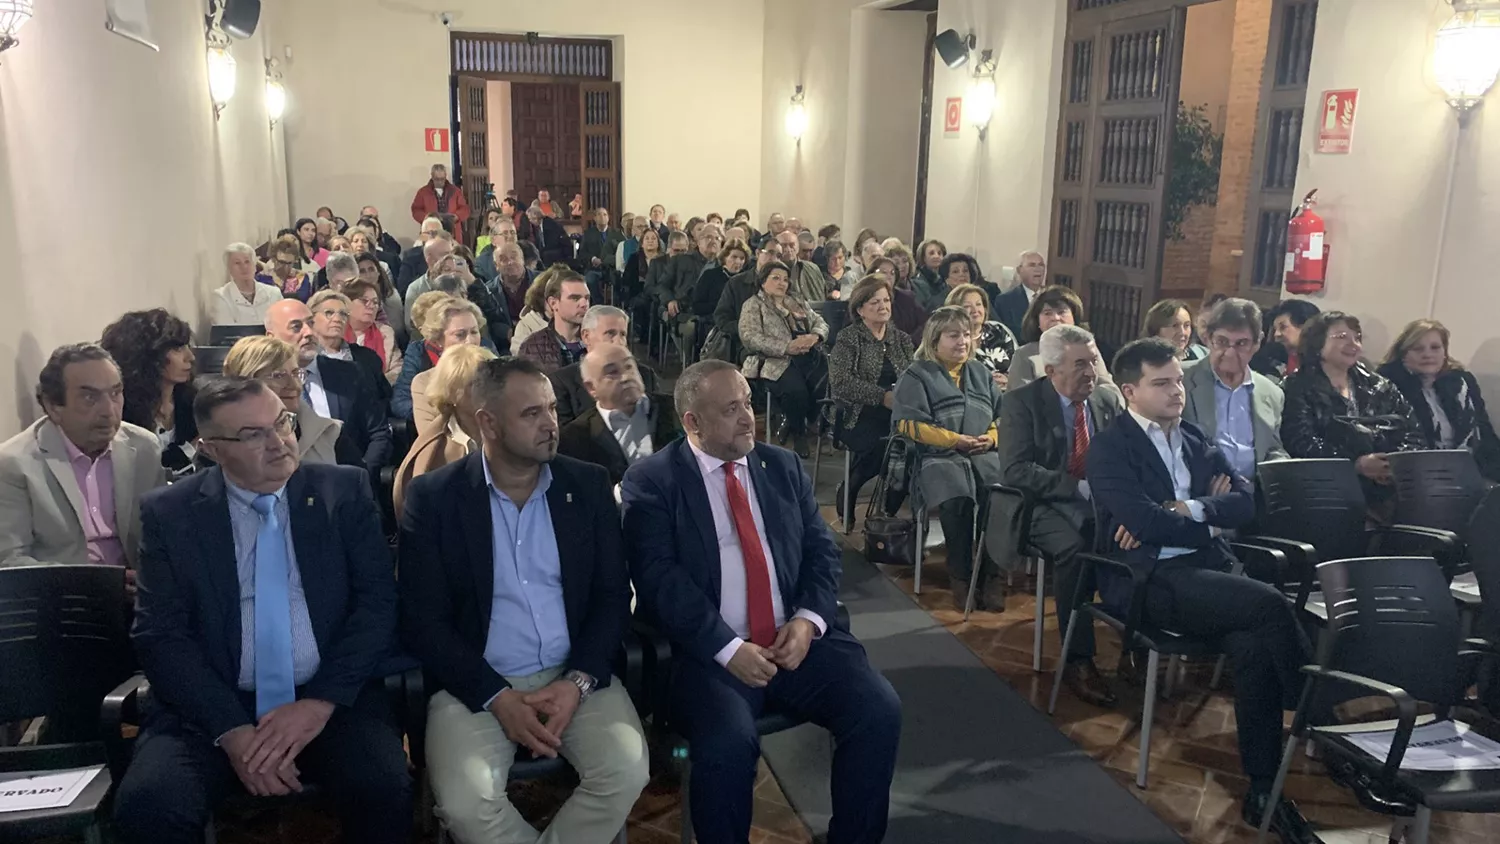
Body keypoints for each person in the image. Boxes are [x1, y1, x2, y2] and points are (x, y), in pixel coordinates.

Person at [113, 378, 410, 844]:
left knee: (383, 786)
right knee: (151, 805)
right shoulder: (172, 514)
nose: (279, 443)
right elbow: (161, 635)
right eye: (253, 435)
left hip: (328, 695)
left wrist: (319, 703)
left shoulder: (341, 491)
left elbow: (376, 604)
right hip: (213, 704)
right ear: (209, 448)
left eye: (282, 424)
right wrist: (231, 730)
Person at [620, 360, 902, 844]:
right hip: (709, 655)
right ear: (693, 422)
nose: (749, 417)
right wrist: (729, 649)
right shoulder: (654, 480)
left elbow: (821, 552)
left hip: (792, 640)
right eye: (731, 409)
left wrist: (809, 622)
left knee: (878, 708)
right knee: (728, 744)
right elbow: (658, 581)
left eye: (748, 402)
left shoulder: (781, 465)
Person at [400, 357, 648, 844]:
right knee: (466, 806)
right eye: (531, 414)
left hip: (573, 673)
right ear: (487, 422)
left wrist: (578, 681)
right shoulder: (436, 499)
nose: (550, 424)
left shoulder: (587, 485)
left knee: (626, 771)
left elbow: (611, 595)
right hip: (475, 680)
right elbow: (422, 620)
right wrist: (495, 695)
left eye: (552, 409)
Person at [1086, 338, 1319, 844]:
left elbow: (1244, 502)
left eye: (1178, 380)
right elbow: (1143, 522)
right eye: (1162, 383)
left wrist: (1185, 511)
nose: (1177, 391)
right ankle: (1317, 715)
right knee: (1268, 602)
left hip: (1203, 571)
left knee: (1254, 646)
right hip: (1149, 581)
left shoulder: (1192, 437)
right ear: (1129, 391)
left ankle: (1264, 790)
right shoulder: (1110, 447)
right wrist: (1199, 519)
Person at [996, 324, 1124, 705]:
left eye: (1094, 361)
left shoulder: (1104, 401)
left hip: (1095, 501)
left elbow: (1120, 454)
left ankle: (1134, 644)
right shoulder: (1022, 402)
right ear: (1051, 371)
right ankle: (1077, 659)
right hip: (1039, 502)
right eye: (1081, 364)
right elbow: (1016, 470)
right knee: (1076, 548)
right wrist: (1076, 487)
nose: (1092, 373)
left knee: (1133, 536)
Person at [0, 343, 164, 572]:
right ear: (53, 406)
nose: (109, 410)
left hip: (140, 594)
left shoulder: (144, 447)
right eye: (90, 398)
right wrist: (103, 584)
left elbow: (161, 535)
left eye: (115, 393)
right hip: (63, 598)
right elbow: (10, 562)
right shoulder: (14, 464)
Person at [892, 307, 1004, 610]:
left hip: (981, 451)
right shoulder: (917, 374)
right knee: (958, 499)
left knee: (999, 496)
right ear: (935, 339)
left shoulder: (980, 372)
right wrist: (956, 440)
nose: (963, 341)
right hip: (937, 455)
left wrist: (991, 437)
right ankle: (961, 577)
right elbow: (907, 424)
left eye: (967, 335)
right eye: (954, 335)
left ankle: (992, 575)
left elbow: (1001, 416)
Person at [1280, 311, 1422, 509]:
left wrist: (1393, 464)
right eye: (1342, 337)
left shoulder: (1379, 385)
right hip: (1324, 491)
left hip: (1387, 487)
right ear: (1317, 343)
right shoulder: (1296, 386)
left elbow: (1413, 430)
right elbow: (1300, 442)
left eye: (1357, 338)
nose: (1353, 344)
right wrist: (1356, 464)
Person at [265, 299, 392, 477]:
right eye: (296, 327)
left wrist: (362, 475)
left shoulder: (350, 373)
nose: (308, 332)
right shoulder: (264, 385)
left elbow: (378, 433)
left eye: (310, 323)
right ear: (271, 337)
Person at [828, 276, 914, 524]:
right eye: (874, 302)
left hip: (897, 411)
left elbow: (913, 376)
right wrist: (881, 396)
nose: (882, 306)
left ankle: (888, 513)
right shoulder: (848, 339)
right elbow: (841, 382)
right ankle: (851, 486)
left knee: (910, 446)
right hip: (856, 412)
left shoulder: (901, 339)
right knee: (884, 444)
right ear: (860, 309)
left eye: (886, 301)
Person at [1181, 298, 1289, 485]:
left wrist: (1281, 468)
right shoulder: (1181, 380)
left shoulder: (1271, 392)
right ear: (1208, 338)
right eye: (1222, 342)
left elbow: (1272, 448)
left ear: (1257, 343)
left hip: (1252, 495)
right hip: (1197, 490)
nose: (1230, 353)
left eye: (1241, 344)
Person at [1378, 319, 1500, 481]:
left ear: (1445, 352)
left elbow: (1485, 436)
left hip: (1468, 471)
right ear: (1403, 354)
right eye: (1417, 349)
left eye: (1435, 348)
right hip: (1416, 477)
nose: (1427, 354)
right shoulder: (1388, 385)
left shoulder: (1462, 383)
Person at [223, 337, 362, 468]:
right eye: (278, 376)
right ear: (246, 383)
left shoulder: (331, 433)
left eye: (296, 374)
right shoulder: (222, 438)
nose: (293, 385)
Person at [740, 261, 830, 458]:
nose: (782, 283)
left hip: (807, 355)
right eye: (776, 278)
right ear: (763, 282)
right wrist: (786, 347)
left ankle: (792, 420)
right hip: (774, 360)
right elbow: (750, 337)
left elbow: (820, 322)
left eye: (785, 279)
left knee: (828, 381)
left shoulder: (795, 301)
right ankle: (799, 434)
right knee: (796, 390)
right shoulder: (753, 305)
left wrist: (814, 336)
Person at [393, 344, 495, 515]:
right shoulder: (435, 453)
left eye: (492, 382)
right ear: (453, 393)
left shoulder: (513, 429)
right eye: (477, 384)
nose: (489, 390)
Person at [560, 344, 679, 486]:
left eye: (629, 367)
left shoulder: (677, 409)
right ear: (591, 388)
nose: (626, 377)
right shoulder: (575, 437)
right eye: (612, 372)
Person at [99, 309, 199, 476]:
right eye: (178, 348)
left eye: (187, 346)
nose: (190, 357)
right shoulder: (122, 409)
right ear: (148, 354)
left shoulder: (193, 402)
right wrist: (187, 450)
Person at [549, 306, 658, 428]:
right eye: (610, 333)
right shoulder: (562, 382)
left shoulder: (646, 375)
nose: (618, 341)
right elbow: (565, 439)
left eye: (622, 334)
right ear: (586, 336)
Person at [393, 294, 486, 426]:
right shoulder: (423, 382)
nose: (470, 341)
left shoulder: (495, 371)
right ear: (438, 339)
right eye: (460, 335)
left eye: (474, 332)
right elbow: (432, 438)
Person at [1007, 285, 1114, 392]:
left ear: (1074, 317)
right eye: (1047, 313)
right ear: (1037, 321)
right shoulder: (1024, 355)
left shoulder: (1088, 349)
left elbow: (1110, 391)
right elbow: (1020, 399)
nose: (1055, 318)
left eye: (1062, 312)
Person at [308, 289, 391, 406]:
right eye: (329, 313)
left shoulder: (367, 358)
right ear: (311, 319)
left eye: (343, 314)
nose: (337, 319)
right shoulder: (305, 360)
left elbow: (383, 399)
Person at [518, 270, 591, 375]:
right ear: (553, 303)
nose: (584, 304)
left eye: (587, 298)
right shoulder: (532, 348)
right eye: (575, 298)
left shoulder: (598, 341)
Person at [946, 283, 1018, 390]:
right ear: (955, 311)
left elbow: (1019, 366)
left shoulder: (998, 330)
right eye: (967, 306)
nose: (975, 310)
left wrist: (1008, 379)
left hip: (1007, 392)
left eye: (978, 304)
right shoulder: (951, 339)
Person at [342, 278, 404, 385]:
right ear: (347, 303)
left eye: (375, 302)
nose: (371, 306)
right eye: (364, 301)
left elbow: (397, 369)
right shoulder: (336, 332)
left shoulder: (385, 332)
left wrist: (376, 385)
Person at [213, 242, 284, 326]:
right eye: (237, 263)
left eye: (247, 262)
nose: (244, 267)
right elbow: (227, 333)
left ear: (254, 265)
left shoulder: (274, 294)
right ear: (229, 269)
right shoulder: (221, 297)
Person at [1252, 299, 1320, 381]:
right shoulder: (1270, 357)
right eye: (1275, 329)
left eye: (1283, 327)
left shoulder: (1322, 366)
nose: (1276, 334)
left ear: (1306, 326)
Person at [692, 238, 751, 334]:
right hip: (712, 323)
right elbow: (697, 306)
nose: (738, 261)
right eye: (734, 257)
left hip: (740, 325)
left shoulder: (745, 279)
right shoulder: (710, 275)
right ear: (725, 257)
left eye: (742, 258)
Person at [403, 232, 457, 326]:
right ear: (430, 259)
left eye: (452, 254)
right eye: (445, 255)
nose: (451, 259)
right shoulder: (416, 289)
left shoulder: (463, 281)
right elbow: (411, 326)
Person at [991, 251, 1047, 339]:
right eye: (1032, 265)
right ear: (1019, 270)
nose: (1038, 269)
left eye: (1041, 265)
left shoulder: (1053, 297)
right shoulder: (1005, 301)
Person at [1143, 298, 1208, 362]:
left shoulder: (1204, 355)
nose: (1182, 332)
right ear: (1156, 329)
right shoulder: (1142, 362)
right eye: (1175, 326)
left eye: (1187, 325)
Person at [399, 215, 446, 294]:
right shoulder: (410, 257)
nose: (433, 237)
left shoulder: (451, 254)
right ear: (422, 236)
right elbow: (403, 289)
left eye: (437, 233)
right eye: (429, 233)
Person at [492, 243, 537, 325]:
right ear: (496, 266)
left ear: (522, 259)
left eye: (514, 257)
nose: (510, 262)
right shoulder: (489, 291)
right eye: (503, 259)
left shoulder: (542, 281)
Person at [267, 234, 315, 303]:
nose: (286, 267)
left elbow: (302, 298)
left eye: (289, 263)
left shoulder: (301, 277)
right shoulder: (264, 277)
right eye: (282, 262)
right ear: (273, 259)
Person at [579, 206, 623, 275]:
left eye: (605, 214)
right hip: (594, 268)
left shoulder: (616, 233)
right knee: (591, 278)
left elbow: (620, 252)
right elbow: (582, 253)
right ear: (595, 218)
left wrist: (607, 261)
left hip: (612, 268)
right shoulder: (588, 234)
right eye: (599, 214)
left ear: (608, 218)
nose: (602, 217)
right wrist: (593, 259)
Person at [913, 239, 947, 305]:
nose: (936, 256)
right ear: (923, 258)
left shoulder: (944, 278)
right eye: (932, 253)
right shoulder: (917, 282)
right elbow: (928, 307)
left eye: (939, 253)